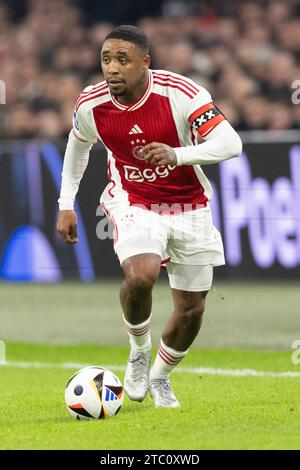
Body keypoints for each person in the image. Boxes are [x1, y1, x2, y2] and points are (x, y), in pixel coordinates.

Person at [57, 25, 242, 408]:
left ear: (145, 63)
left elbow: (231, 143)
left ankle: (159, 378)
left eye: (122, 60)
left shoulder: (181, 94)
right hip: (134, 201)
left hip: (190, 205)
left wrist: (178, 154)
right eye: (106, 59)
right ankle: (139, 351)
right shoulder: (91, 104)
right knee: (141, 275)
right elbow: (78, 149)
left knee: (192, 308)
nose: (112, 69)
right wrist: (66, 202)